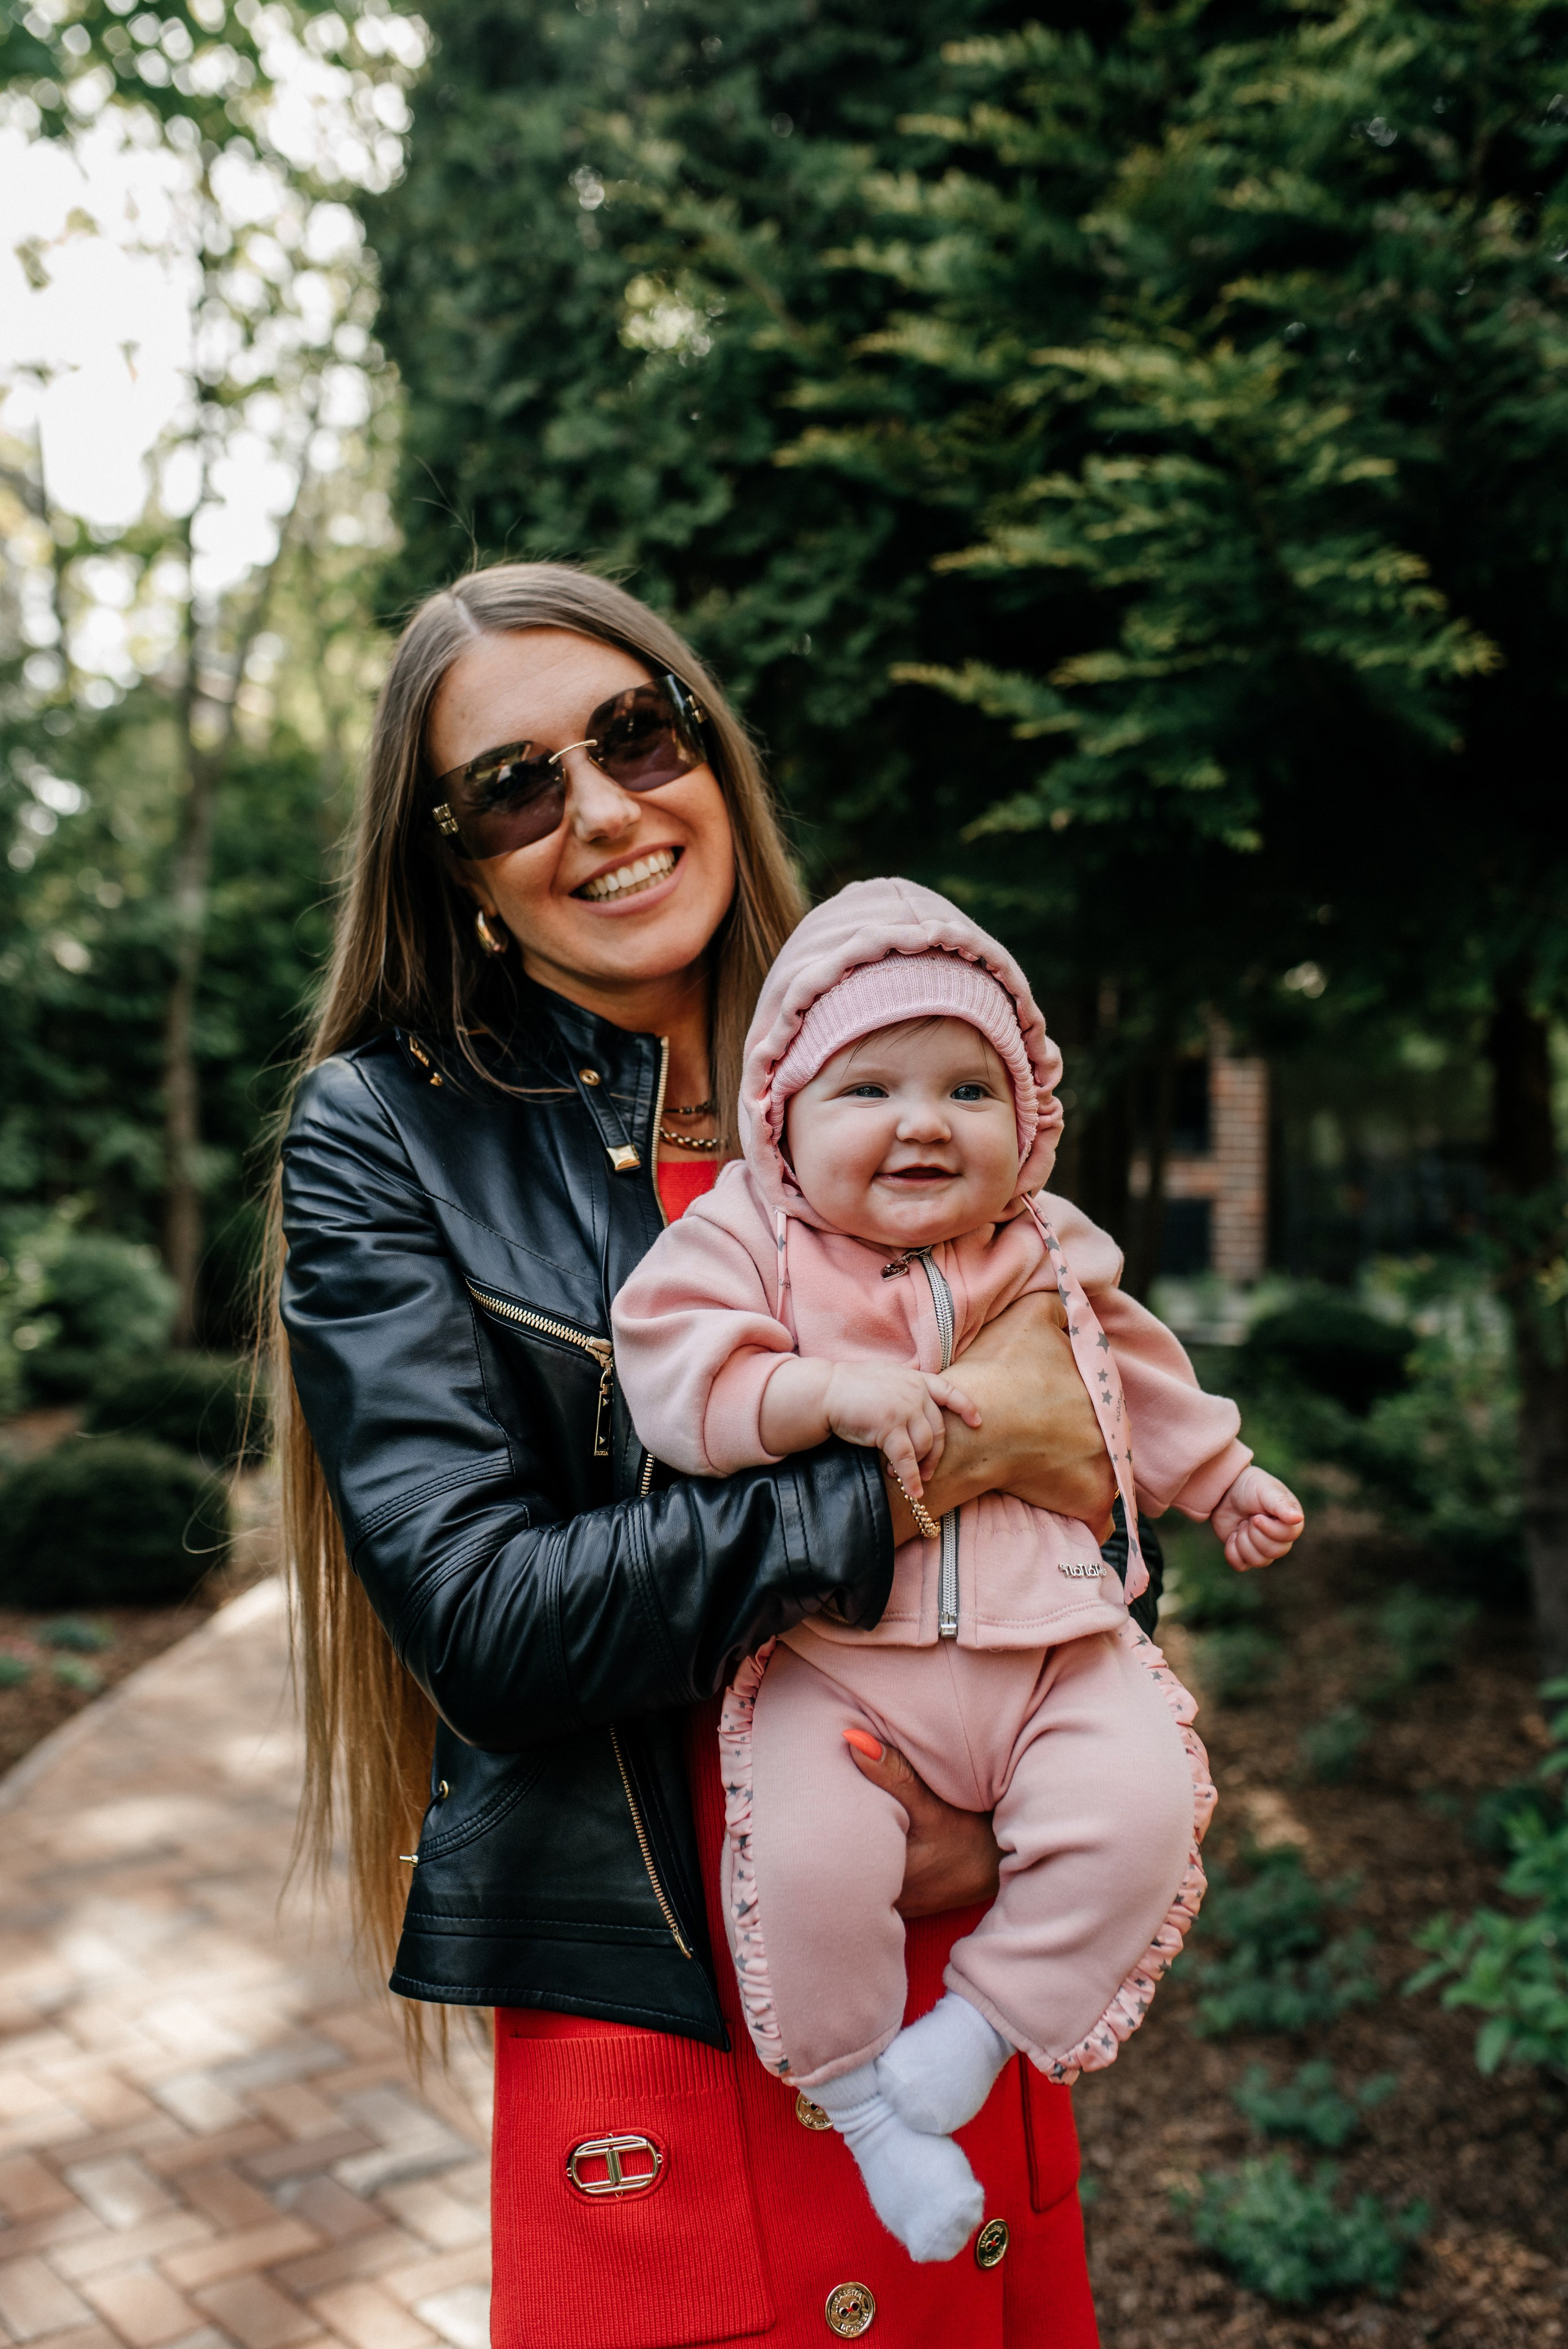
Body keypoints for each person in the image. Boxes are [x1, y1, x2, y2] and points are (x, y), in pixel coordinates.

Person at [275, 562, 1144, 2348]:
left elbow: (1102, 1463)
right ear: (459, 866)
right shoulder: (388, 1136)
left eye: (634, 733)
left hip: (956, 1981)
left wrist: (1029, 1810)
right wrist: (906, 1474)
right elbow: (490, 1622)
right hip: (667, 2038)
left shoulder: (898, 1060)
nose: (601, 807)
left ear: (706, 749)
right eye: (514, 786)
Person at [612, 878, 1305, 2263]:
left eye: (965, 1089)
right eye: (865, 1085)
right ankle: (870, 2116)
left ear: (1026, 1122)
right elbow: (674, 1374)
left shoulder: (1048, 1251)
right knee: (806, 1866)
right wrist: (819, 1393)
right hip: (838, 1658)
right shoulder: (746, 1239)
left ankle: (980, 2027)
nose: (921, 1120)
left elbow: (1133, 1381)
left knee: (1141, 1805)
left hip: (1049, 1638)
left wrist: (1220, 1476)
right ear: (783, 1123)